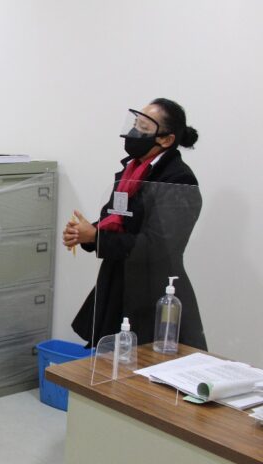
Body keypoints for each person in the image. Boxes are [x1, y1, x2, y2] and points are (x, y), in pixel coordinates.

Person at [63, 98, 206, 349]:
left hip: (153, 290)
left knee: (147, 362)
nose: (134, 132)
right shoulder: (131, 170)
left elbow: (158, 245)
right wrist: (87, 233)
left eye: (143, 128)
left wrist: (96, 237)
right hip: (118, 283)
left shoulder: (178, 180)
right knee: (106, 362)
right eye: (135, 124)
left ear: (166, 140)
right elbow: (117, 220)